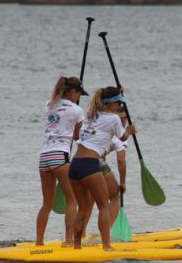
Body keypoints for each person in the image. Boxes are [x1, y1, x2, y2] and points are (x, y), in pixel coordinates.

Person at [69, 86, 136, 250]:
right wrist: (129, 131)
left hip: (75, 165)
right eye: (118, 103)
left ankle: (76, 246)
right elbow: (122, 137)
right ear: (110, 103)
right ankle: (106, 245)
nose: (120, 106)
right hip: (90, 164)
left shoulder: (90, 115)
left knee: (83, 208)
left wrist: (119, 93)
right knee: (104, 206)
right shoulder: (113, 119)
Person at [35, 76, 88, 246]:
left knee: (47, 204)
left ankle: (39, 242)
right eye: (79, 93)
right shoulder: (77, 110)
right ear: (73, 91)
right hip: (60, 155)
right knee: (72, 200)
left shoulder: (48, 105)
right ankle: (68, 240)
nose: (79, 97)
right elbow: (78, 137)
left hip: (44, 156)